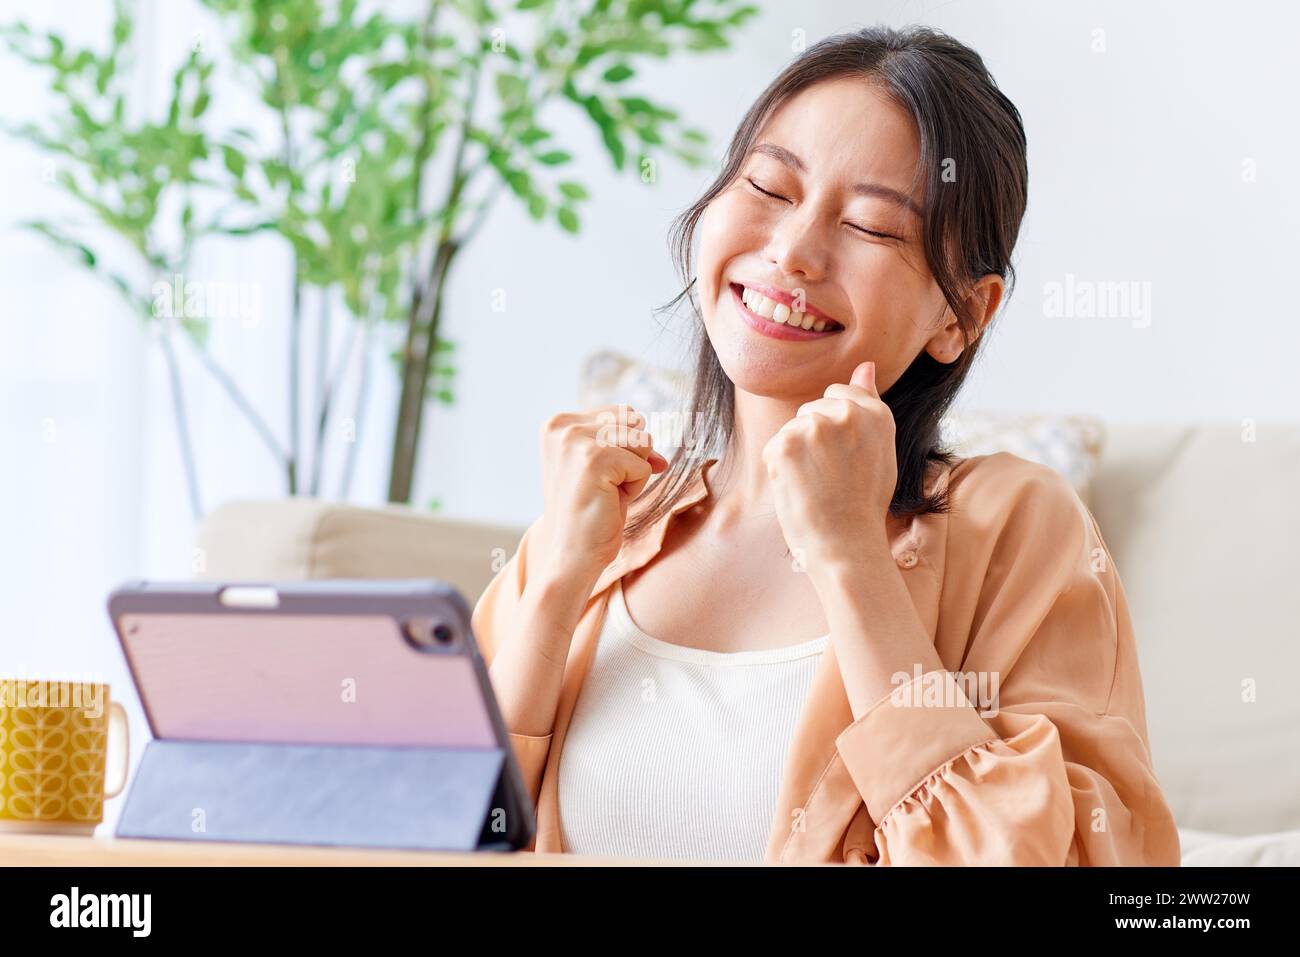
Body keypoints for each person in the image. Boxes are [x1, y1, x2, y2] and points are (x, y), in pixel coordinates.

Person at [472, 24, 1181, 865]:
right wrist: (556, 584)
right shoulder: (598, 526)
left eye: (874, 228)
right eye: (770, 186)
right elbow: (424, 840)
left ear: (962, 314)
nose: (793, 250)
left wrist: (852, 557)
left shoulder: (1020, 529)